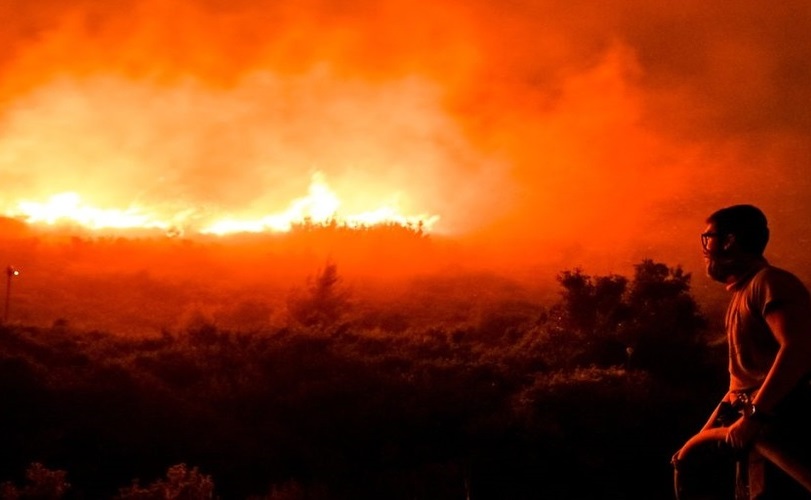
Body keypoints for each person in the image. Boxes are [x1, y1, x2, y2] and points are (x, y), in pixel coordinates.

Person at [672, 204, 811, 499]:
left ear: (730, 241)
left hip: (784, 431)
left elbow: (799, 348)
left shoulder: (770, 283)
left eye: (708, 237)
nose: (705, 247)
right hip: (755, 430)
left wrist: (754, 418)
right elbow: (742, 382)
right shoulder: (743, 293)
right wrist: (701, 436)